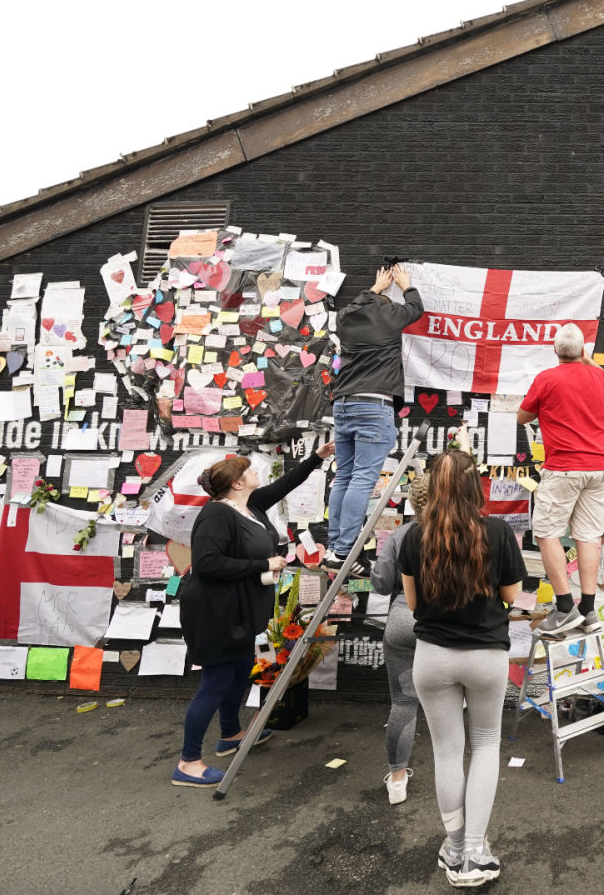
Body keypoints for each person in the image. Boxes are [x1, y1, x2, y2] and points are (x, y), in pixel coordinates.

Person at [174, 441, 335, 788]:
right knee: (216, 682)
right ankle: (187, 762)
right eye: (249, 470)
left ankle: (230, 735)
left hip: (241, 610)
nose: (256, 472)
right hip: (214, 613)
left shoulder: (251, 507)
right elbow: (206, 563)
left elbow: (284, 484)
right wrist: (263, 564)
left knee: (236, 674)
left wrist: (316, 458)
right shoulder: (217, 513)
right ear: (236, 483)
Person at [400, 449, 527, 886]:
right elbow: (512, 595)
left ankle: (453, 847)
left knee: (447, 752)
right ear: (477, 485)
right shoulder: (497, 531)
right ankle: (475, 851)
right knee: (486, 745)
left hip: (432, 657)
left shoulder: (414, 536)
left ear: (432, 486)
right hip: (486, 656)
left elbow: (413, 604)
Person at [323, 261, 424, 578]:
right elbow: (416, 308)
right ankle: (344, 552)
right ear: (385, 305)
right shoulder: (389, 315)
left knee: (344, 477)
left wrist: (376, 288)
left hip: (343, 403)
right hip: (374, 404)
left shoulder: (346, 317)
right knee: (363, 479)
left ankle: (334, 548)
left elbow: (360, 302)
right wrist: (406, 284)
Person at [517, 322, 604, 636]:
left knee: (547, 532)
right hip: (600, 465)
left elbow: (522, 416)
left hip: (564, 467)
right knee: (589, 536)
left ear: (555, 351)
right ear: (582, 352)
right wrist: (587, 360)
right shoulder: (597, 378)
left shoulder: (547, 378)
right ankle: (588, 609)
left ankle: (564, 607)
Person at [369, 471, 434, 805]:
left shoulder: (400, 535)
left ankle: (397, 780)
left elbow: (380, 583)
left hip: (403, 619)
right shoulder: (463, 532)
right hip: (446, 625)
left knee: (404, 702)